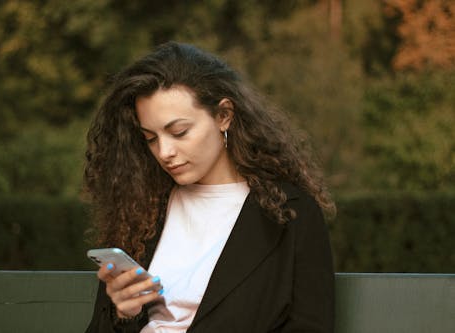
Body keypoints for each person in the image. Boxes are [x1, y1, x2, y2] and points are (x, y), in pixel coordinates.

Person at [83, 42, 335, 333]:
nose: (164, 151)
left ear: (223, 115)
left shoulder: (289, 212)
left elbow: (312, 325)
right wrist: (124, 314)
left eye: (179, 132)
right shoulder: (141, 209)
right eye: (150, 138)